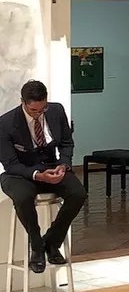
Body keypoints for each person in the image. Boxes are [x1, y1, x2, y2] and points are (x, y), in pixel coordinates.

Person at [0, 80, 87, 273]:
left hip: (51, 166)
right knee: (22, 197)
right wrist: (37, 175)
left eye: (43, 109)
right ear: (23, 102)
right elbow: (11, 164)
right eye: (33, 110)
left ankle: (52, 242)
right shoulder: (6, 123)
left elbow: (66, 143)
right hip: (20, 173)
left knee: (78, 193)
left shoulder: (56, 111)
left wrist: (63, 165)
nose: (38, 114)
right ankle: (36, 245)